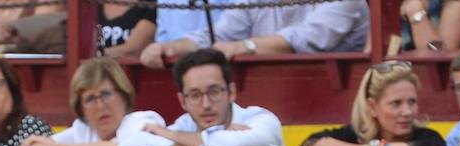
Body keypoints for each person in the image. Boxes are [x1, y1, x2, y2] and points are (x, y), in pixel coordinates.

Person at [119, 48, 285, 146]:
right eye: (195, 95)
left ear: (231, 92)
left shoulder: (260, 119)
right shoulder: (184, 125)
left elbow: (238, 145)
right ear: (183, 101)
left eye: (214, 92)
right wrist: (218, 144)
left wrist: (168, 135)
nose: (206, 105)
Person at [13, 57, 165, 146]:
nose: (100, 105)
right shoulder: (83, 129)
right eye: (90, 99)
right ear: (81, 109)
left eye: (106, 94)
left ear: (124, 95)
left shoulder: (143, 121)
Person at [139, 0, 368, 68]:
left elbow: (302, 39)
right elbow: (219, 35)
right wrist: (171, 47)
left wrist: (244, 46)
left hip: (329, 105)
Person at [298, 61, 447, 146]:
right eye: (396, 103)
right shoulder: (355, 135)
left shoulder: (428, 137)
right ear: (372, 107)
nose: (407, 112)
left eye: (412, 102)